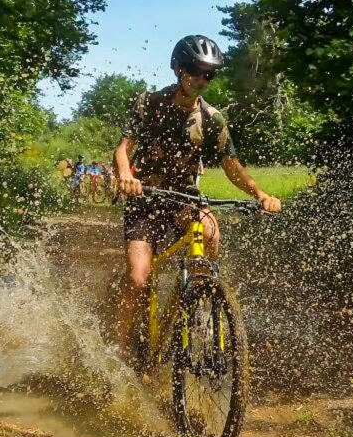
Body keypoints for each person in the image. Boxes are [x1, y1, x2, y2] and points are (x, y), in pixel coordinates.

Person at [112, 35, 282, 355]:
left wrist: (260, 194)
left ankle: (198, 298)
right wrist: (125, 176)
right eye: (195, 70)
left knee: (211, 230)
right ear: (178, 68)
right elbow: (123, 149)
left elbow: (232, 167)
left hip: (185, 198)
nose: (202, 79)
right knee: (137, 278)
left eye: (209, 74)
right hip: (145, 198)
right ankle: (117, 354)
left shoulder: (212, 119)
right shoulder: (148, 104)